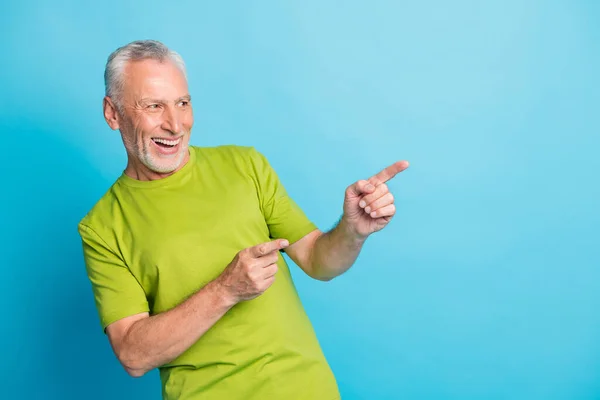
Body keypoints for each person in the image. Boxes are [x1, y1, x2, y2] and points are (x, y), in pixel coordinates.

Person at [78, 40, 409, 400]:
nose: (175, 124)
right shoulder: (102, 227)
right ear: (113, 114)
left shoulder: (245, 166)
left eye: (183, 103)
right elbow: (133, 354)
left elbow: (318, 260)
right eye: (154, 106)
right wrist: (226, 290)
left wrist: (353, 231)